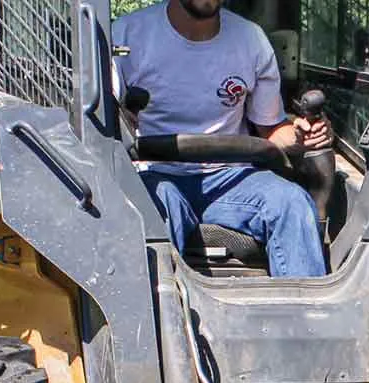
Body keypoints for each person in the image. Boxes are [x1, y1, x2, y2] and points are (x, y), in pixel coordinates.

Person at [113, 0, 332, 278]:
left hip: (231, 178)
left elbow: (271, 129)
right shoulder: (126, 35)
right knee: (155, 209)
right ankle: (157, 314)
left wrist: (302, 135)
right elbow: (106, 122)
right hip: (156, 173)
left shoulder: (250, 39)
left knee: (292, 203)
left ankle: (305, 316)